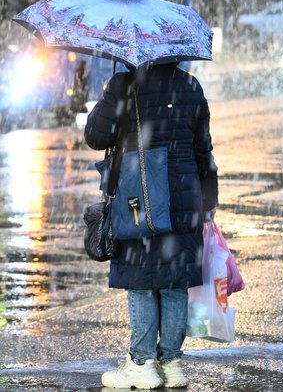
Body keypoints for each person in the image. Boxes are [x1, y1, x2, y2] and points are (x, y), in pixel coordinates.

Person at [85, 62, 218, 389]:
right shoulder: (190, 86)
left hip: (139, 196)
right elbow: (204, 150)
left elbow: (96, 136)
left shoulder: (123, 85)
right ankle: (171, 363)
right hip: (185, 196)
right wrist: (208, 199)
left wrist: (110, 99)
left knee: (142, 278)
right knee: (174, 280)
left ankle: (142, 363)